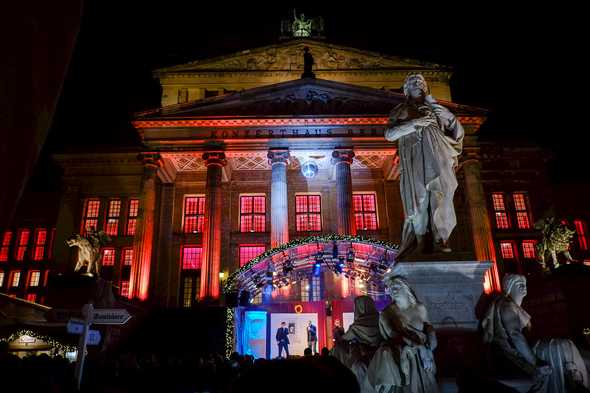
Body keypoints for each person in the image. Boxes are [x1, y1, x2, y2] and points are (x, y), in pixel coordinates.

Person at [385, 73, 464, 256]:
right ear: (405, 89)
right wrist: (415, 123)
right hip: (413, 157)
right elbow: (389, 135)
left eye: (420, 82)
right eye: (412, 82)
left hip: (437, 154)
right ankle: (420, 241)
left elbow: (455, 126)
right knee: (418, 199)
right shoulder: (399, 110)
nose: (417, 84)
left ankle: (441, 239)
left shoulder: (436, 109)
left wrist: (433, 103)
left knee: (440, 197)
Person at [482, 274, 589, 392]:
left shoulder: (514, 307)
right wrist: (535, 362)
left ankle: (573, 378)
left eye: (525, 285)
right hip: (514, 357)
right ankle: (573, 381)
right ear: (509, 288)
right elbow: (515, 335)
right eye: (519, 285)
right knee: (560, 345)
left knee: (562, 345)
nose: (524, 287)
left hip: (523, 351)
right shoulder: (507, 305)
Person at [366, 275, 438, 393]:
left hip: (424, 351)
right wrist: (419, 348)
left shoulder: (420, 308)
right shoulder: (386, 313)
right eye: (391, 287)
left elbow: (428, 326)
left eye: (397, 287)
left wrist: (431, 342)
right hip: (402, 352)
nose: (393, 290)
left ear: (406, 288)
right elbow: (394, 335)